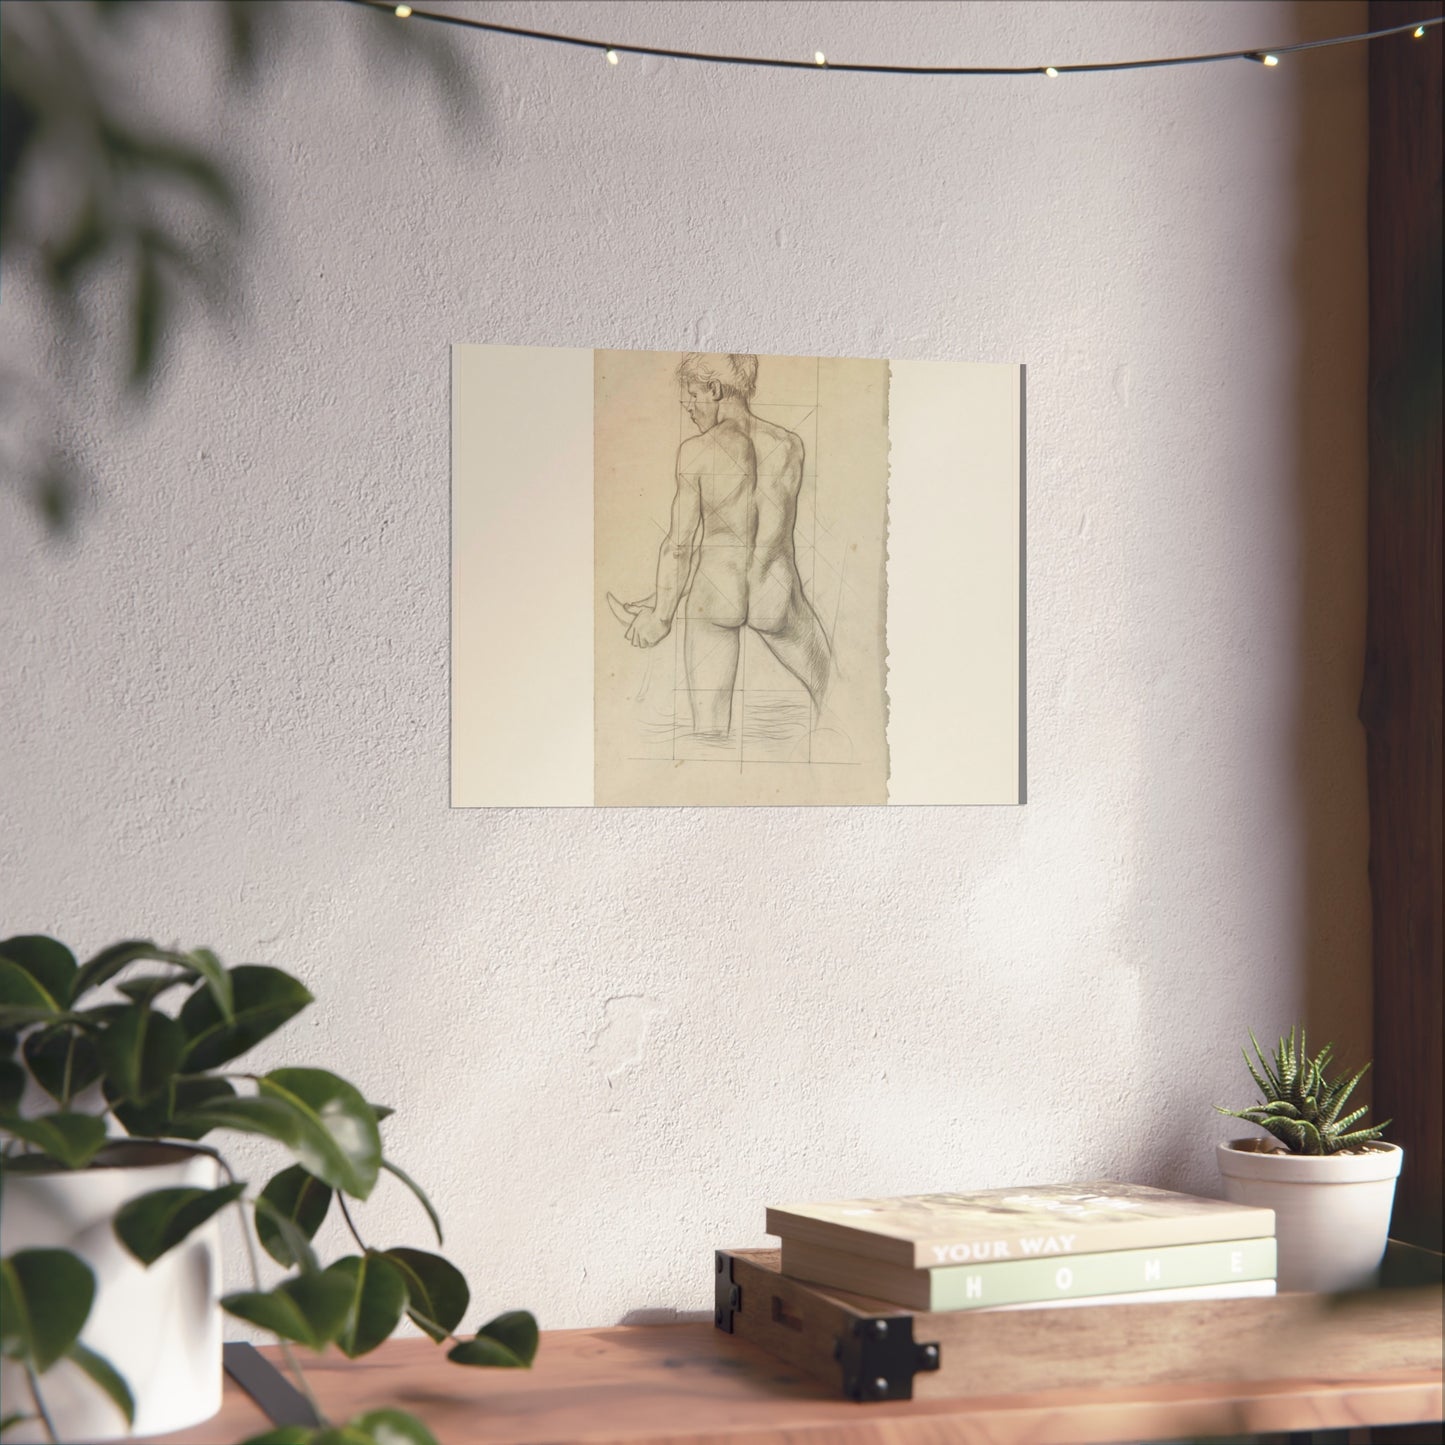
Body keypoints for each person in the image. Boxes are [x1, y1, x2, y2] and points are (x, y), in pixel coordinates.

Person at [616, 353, 831, 738]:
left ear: (715, 389)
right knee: (833, 700)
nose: (691, 409)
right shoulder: (789, 446)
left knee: (709, 737)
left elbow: (680, 546)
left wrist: (661, 614)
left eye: (693, 396)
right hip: (776, 594)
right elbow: (760, 533)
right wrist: (664, 593)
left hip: (716, 597)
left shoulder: (696, 452)